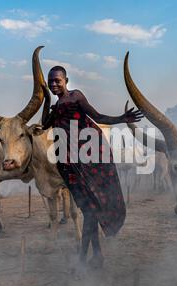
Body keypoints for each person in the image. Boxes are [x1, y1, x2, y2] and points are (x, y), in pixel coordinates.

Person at [41, 65, 144, 270]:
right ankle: (95, 256)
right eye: (50, 81)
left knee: (90, 210)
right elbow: (44, 124)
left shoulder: (75, 97)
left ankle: (84, 259)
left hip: (90, 159)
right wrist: (46, 99)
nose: (53, 84)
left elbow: (98, 117)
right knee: (88, 210)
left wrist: (121, 119)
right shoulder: (56, 107)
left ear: (66, 80)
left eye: (57, 81)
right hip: (69, 165)